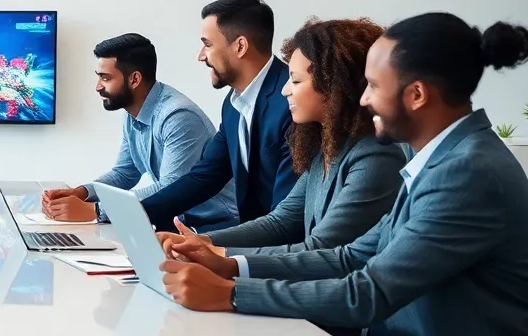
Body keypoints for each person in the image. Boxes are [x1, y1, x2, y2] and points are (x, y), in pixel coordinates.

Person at [161, 14, 528, 336]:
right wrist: (228, 264)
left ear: (416, 95)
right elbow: (350, 256)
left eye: (374, 86)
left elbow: (368, 292)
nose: (363, 98)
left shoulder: (466, 171)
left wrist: (231, 294)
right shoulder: (441, 161)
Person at [167, 18, 407, 257]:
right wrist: (202, 241)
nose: (285, 90)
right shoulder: (325, 147)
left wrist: (220, 255)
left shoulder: (375, 156)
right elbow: (280, 222)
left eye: (296, 80)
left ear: (333, 86)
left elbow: (322, 248)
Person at [41, 32, 235, 227]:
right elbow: (124, 173)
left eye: (105, 78)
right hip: (177, 220)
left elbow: (170, 187)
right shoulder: (132, 112)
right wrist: (82, 193)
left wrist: (97, 210)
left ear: (134, 80)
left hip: (214, 224)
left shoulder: (178, 116)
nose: (98, 87)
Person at [139, 0, 299, 231]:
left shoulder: (292, 101)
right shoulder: (232, 104)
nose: (201, 56)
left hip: (279, 242)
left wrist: (208, 244)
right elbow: (205, 176)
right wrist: (138, 212)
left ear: (240, 46)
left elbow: (286, 219)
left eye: (208, 45)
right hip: (252, 235)